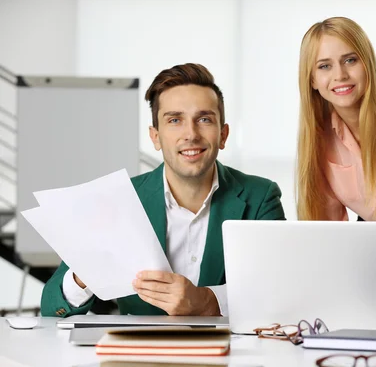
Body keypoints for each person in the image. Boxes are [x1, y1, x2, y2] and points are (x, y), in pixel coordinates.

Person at [41, 63, 286, 318]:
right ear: (155, 137)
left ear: (223, 135)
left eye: (204, 119)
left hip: (232, 352)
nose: (190, 134)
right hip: (140, 353)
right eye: (174, 120)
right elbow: (52, 308)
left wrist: (208, 301)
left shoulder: (261, 197)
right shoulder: (121, 199)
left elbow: (280, 290)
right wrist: (85, 272)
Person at [296, 16, 376, 231]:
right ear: (312, 80)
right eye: (324, 66)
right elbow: (327, 230)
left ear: (368, 63)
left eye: (350, 60)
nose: (340, 75)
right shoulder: (319, 138)